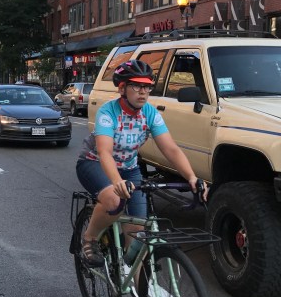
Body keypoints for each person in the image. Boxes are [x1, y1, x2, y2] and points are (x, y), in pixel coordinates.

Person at [76, 59, 208, 267]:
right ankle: (90, 238)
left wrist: (191, 177)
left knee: (137, 236)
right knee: (113, 200)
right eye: (136, 86)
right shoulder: (108, 112)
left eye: (146, 86)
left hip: (129, 169)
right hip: (94, 164)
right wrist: (116, 181)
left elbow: (170, 149)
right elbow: (105, 152)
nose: (143, 92)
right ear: (122, 88)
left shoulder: (150, 113)